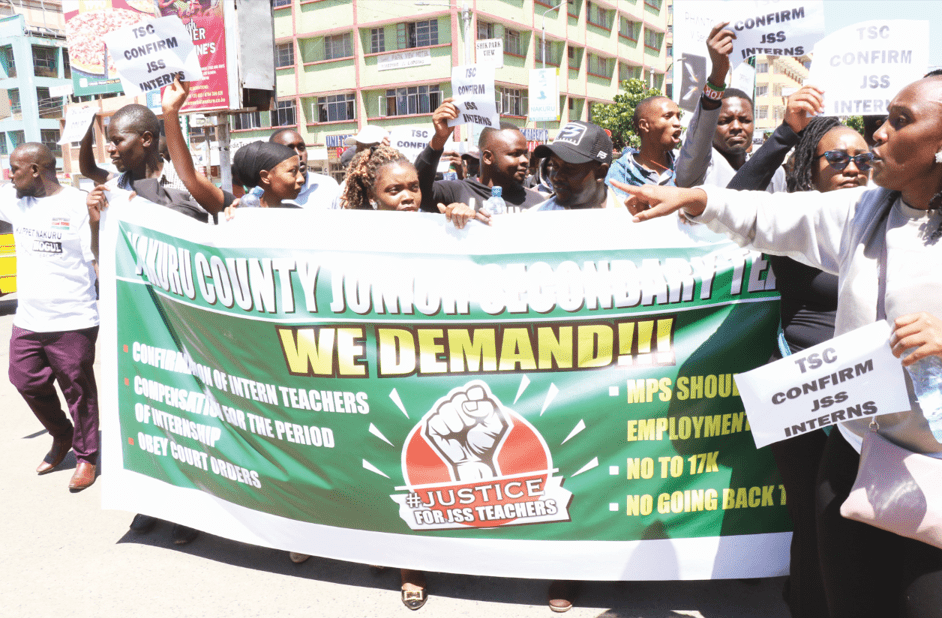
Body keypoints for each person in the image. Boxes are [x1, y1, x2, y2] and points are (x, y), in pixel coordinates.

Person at [619, 74, 942, 618]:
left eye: (901, 121)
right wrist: (694, 198)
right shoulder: (866, 208)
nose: (879, 135)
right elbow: (771, 216)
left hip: (932, 468)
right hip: (857, 451)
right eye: (884, 117)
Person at [726, 85, 870, 618]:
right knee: (814, 515)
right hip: (801, 387)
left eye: (863, 158)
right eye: (837, 157)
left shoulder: (885, 219)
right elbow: (737, 196)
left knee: (859, 516)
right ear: (811, 167)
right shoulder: (792, 221)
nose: (852, 167)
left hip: (872, 391)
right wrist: (785, 131)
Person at [4, 143, 99, 491]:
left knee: (78, 390)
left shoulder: (77, 204)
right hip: (29, 319)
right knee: (24, 380)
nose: (10, 175)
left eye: (15, 169)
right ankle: (62, 435)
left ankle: (87, 456)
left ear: (35, 170)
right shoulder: (14, 200)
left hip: (73, 317)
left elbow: (96, 259)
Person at [675, 22, 786, 192]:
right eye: (725, 121)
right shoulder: (698, 171)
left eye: (745, 120)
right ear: (710, 126)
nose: (736, 127)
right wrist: (718, 75)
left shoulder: (775, 174)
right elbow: (697, 145)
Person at [415, 99, 544, 213]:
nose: (525, 160)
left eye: (524, 154)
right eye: (515, 154)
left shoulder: (537, 202)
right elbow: (418, 192)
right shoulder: (457, 192)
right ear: (488, 157)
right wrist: (439, 139)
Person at [530, 121, 620, 211]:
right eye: (555, 166)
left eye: (569, 168)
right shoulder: (536, 217)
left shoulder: (628, 215)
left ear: (601, 172)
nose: (556, 177)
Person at [605, 95, 681, 194]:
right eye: (668, 116)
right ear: (644, 125)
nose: (677, 123)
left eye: (678, 117)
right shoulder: (616, 175)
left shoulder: (685, 167)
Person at [269, 128, 341, 208]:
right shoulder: (263, 195)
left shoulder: (328, 186)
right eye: (289, 149)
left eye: (301, 148)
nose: (298, 154)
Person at [230, 141, 304, 209]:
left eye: (299, 171)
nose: (301, 179)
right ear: (265, 177)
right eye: (293, 171)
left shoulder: (297, 214)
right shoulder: (244, 213)